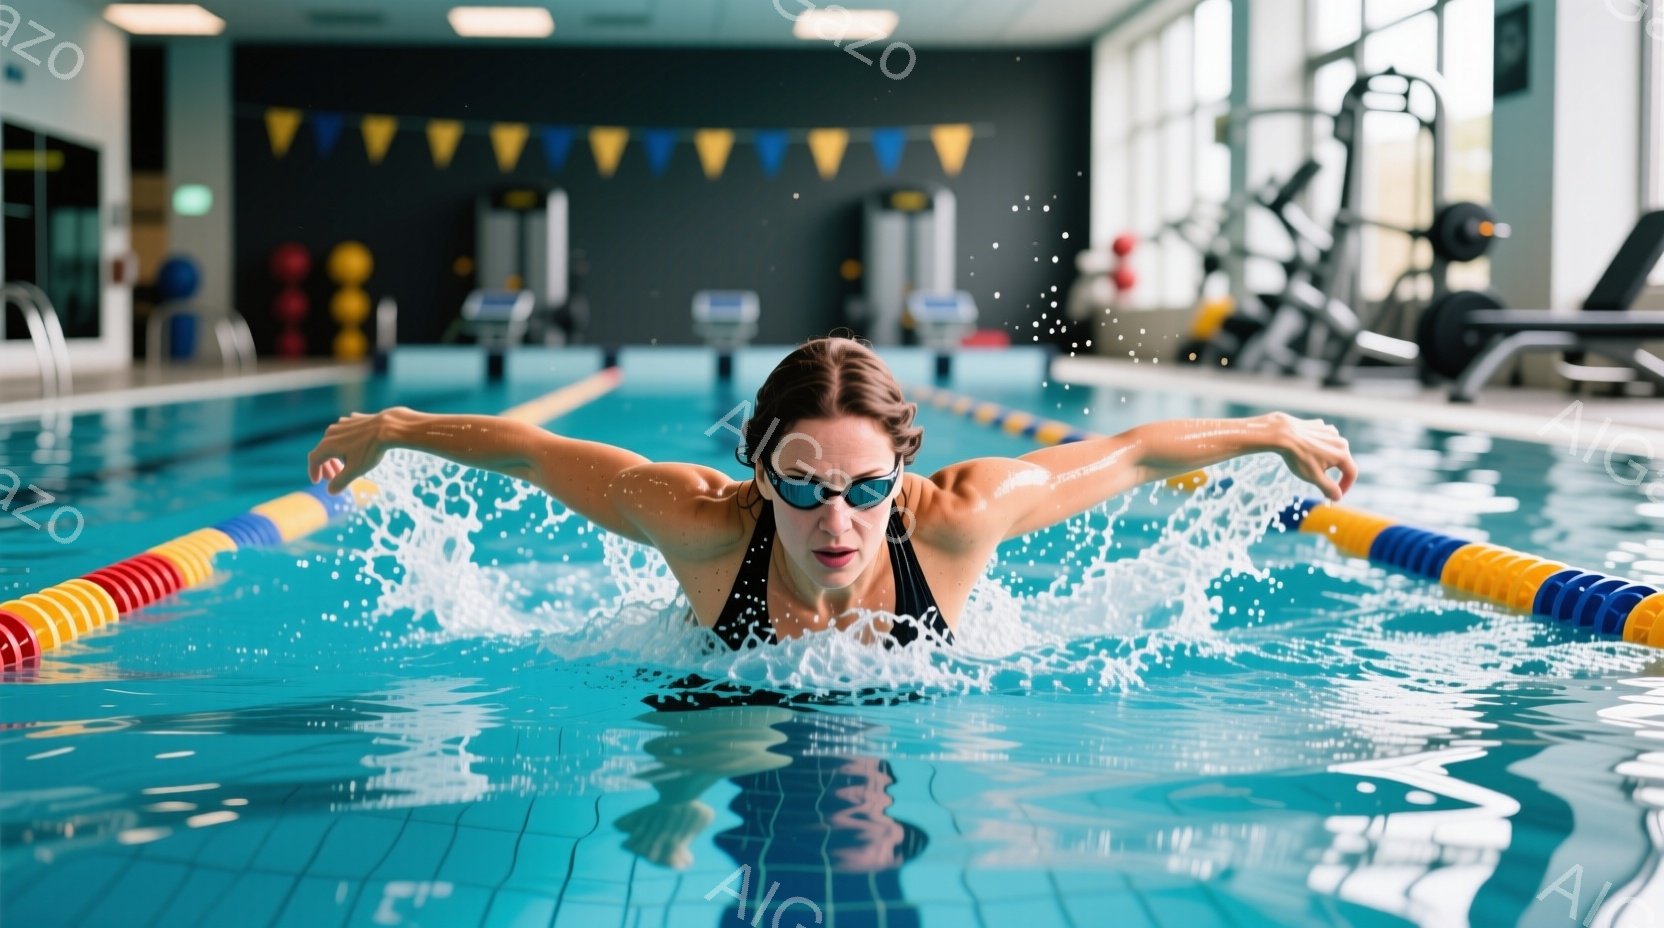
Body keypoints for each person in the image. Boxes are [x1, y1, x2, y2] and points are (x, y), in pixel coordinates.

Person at [307, 335, 1357, 649]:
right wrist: (395, 429)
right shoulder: (697, 522)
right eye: (801, 487)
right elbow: (535, 451)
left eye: (864, 486)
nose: (835, 517)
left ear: (903, 471)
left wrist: (1263, 430)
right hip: (713, 684)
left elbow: (1129, 453)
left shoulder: (959, 517)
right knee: (704, 742)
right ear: (757, 470)